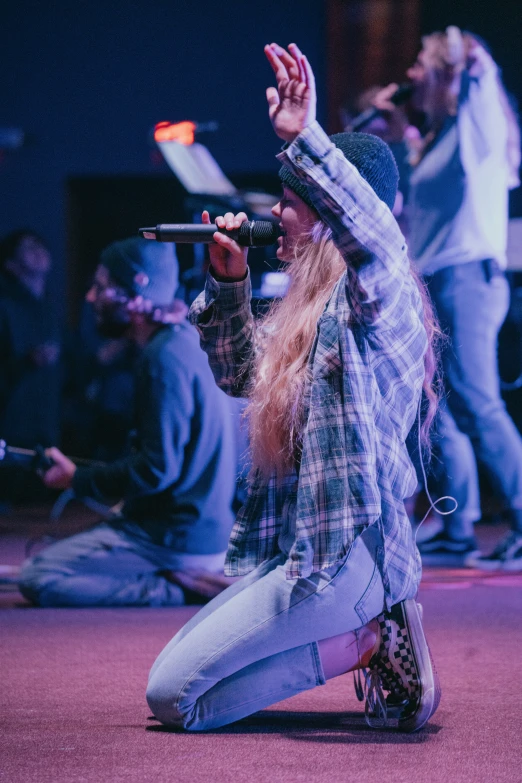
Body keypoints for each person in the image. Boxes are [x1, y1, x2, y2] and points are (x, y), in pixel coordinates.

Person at [146, 42, 441, 733]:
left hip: (354, 555)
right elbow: (236, 375)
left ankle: (368, 637)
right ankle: (358, 639)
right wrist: (226, 283)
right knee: (174, 686)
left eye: (289, 203)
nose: (275, 215)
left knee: (174, 698)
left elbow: (372, 235)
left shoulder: (382, 295)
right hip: (304, 551)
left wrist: (303, 137)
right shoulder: (305, 307)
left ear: (330, 210)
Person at [18, 237, 238, 607]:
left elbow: (156, 471)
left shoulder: (161, 360)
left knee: (38, 576)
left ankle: (172, 589)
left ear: (136, 298)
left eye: (102, 288)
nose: (91, 298)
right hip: (204, 533)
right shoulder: (187, 342)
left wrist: (78, 479)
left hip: (173, 539)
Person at [374, 28, 522, 569]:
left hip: (468, 279)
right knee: (447, 411)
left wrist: (461, 54)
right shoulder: (437, 139)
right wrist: (398, 130)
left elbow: (475, 62)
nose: (410, 73)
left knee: (480, 403)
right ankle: (458, 527)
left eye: (420, 64)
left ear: (446, 71)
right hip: (437, 278)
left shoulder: (476, 122)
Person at [0, 230, 62, 501]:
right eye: (28, 247)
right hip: (12, 418)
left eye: (40, 243)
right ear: (11, 264)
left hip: (47, 419)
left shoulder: (50, 307)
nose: (38, 249)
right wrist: (26, 361)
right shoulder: (5, 307)